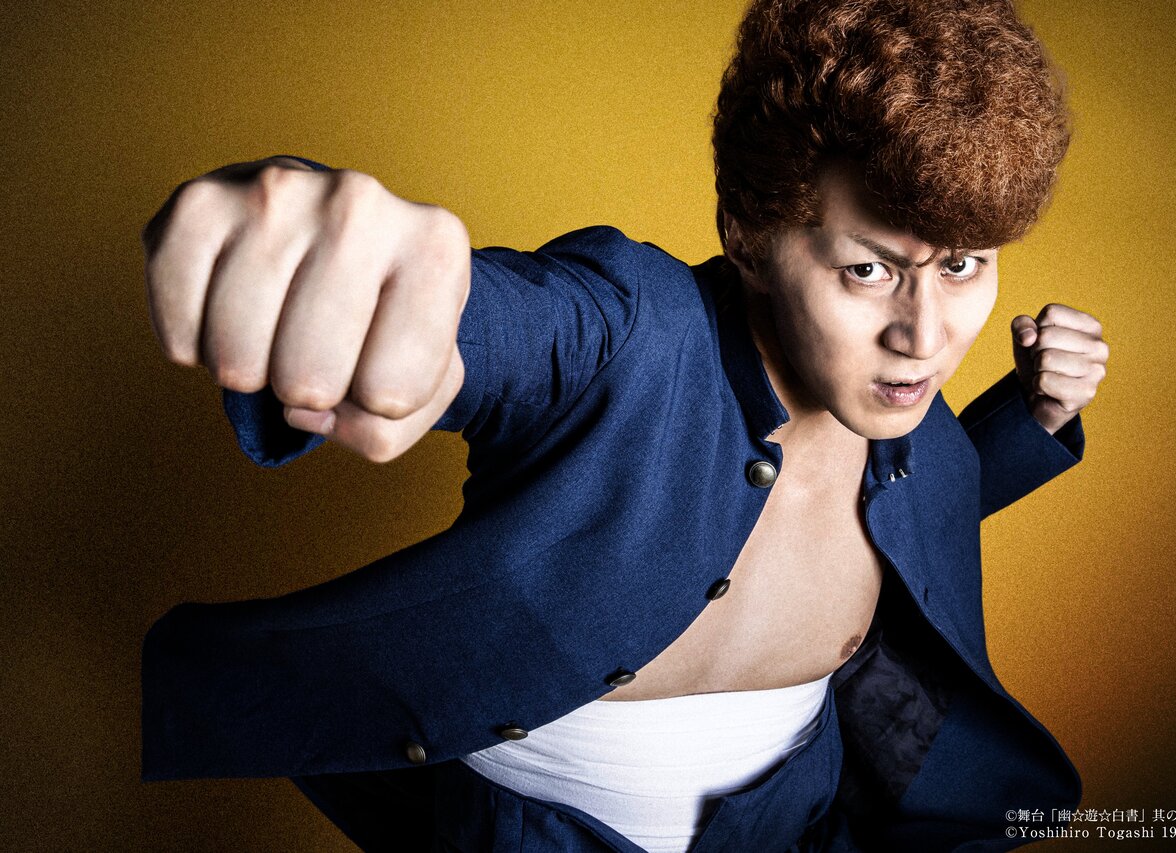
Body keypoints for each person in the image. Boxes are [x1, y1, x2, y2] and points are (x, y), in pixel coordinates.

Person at [139, 0, 1109, 850]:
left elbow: (914, 516)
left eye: (961, 265)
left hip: (797, 820)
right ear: (750, 236)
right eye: (867, 269)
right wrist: (334, 269)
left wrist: (1034, 415)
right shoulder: (626, 327)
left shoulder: (910, 418)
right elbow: (498, 323)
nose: (923, 337)